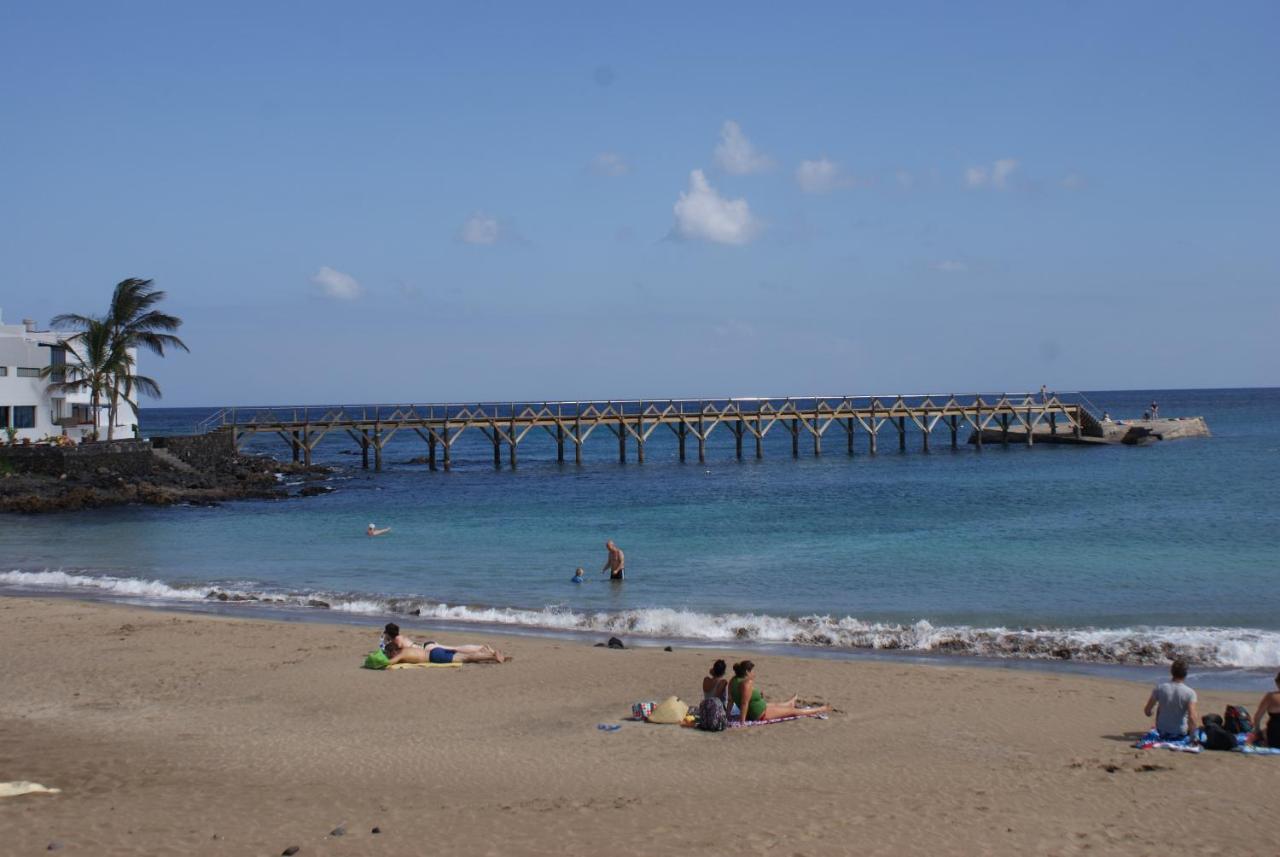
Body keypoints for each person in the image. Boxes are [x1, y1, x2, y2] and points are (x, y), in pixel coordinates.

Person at [728, 660, 830, 724]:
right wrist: (742, 722)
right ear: (747, 672)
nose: (754, 673)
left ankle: (789, 703)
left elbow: (731, 700)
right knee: (793, 712)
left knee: (777, 704)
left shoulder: (733, 680)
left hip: (758, 708)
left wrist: (728, 715)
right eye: (752, 671)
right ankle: (820, 709)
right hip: (759, 714)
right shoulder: (747, 683)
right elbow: (744, 703)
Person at [381, 622, 506, 665]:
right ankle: (483, 649)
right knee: (457, 649)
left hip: (429, 649)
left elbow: (391, 654)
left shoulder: (396, 642)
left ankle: (488, 653)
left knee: (462, 654)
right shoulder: (400, 637)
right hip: (428, 647)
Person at [1143, 658, 1199, 740]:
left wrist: (1151, 713)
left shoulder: (1160, 688)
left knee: (1161, 706)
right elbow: (1192, 717)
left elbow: (1147, 711)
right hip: (1179, 732)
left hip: (1161, 731)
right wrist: (1193, 736)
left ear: (1171, 672)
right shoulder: (1190, 693)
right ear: (1186, 674)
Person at [1250, 670, 1280, 747]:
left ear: (1278, 683)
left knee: (1262, 733)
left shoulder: (1271, 696)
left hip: (1275, 738)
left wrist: (1257, 731)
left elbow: (1257, 717)